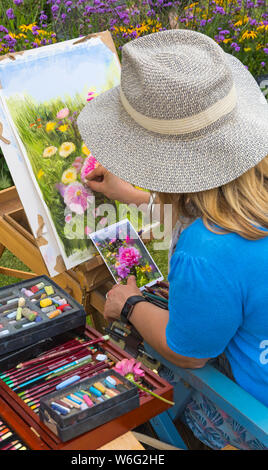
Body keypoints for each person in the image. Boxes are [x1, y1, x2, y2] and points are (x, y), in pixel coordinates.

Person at [77, 29, 268, 449]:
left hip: (253, 416)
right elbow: (213, 201)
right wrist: (134, 195)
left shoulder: (207, 252)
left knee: (147, 406)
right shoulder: (254, 195)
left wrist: (128, 305)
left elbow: (189, 352)